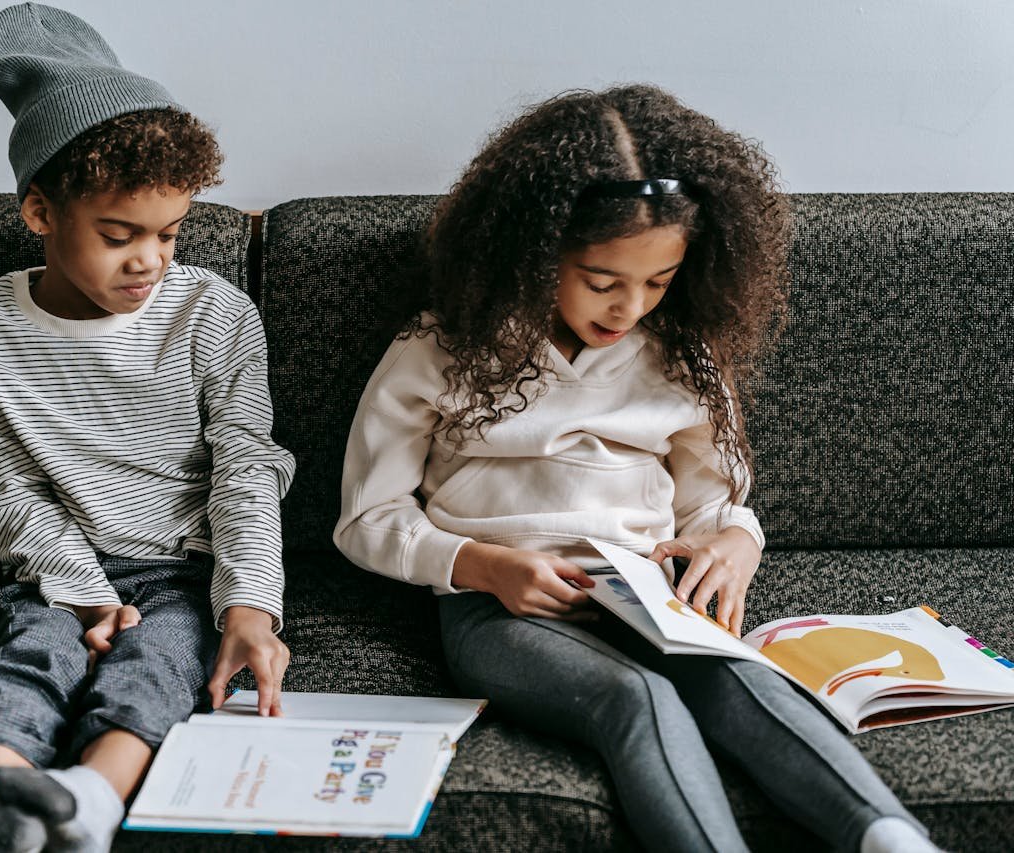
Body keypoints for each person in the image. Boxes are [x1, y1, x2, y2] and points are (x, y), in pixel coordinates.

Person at [334, 85, 938, 852]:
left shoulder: (680, 356)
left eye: (657, 283)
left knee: (738, 679)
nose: (629, 308)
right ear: (536, 250)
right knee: (634, 697)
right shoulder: (437, 348)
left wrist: (733, 543)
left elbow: (718, 498)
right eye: (602, 280)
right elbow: (367, 517)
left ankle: (895, 839)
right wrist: (480, 565)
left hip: (651, 589)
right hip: (501, 607)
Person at [0, 5, 294, 852]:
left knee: (164, 662)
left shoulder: (215, 314)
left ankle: (89, 801)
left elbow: (245, 467)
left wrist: (251, 604)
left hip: (185, 564)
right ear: (39, 211)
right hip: (53, 560)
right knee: (28, 653)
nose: (149, 261)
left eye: (169, 234)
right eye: (118, 234)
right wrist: (80, 585)